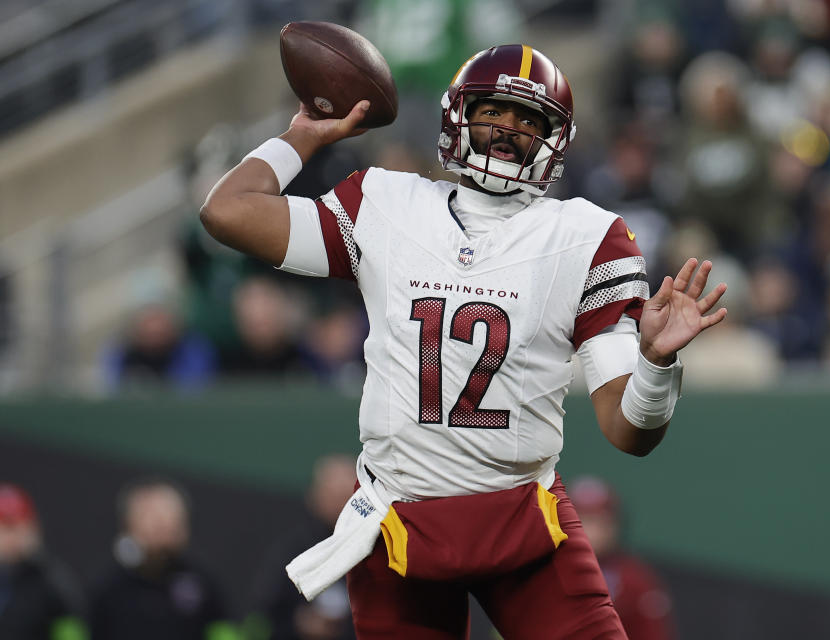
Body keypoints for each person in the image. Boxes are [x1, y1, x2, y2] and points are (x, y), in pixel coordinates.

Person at [200, 44, 726, 639]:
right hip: (400, 516)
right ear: (459, 116)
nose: (509, 129)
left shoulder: (588, 237)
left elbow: (628, 434)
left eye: (531, 119)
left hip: (522, 516)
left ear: (555, 139)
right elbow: (228, 211)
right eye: (495, 110)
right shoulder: (385, 204)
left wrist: (656, 362)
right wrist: (303, 136)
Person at [90, 480, 232, 640]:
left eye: (172, 519)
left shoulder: (203, 585)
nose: (164, 526)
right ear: (129, 525)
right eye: (154, 519)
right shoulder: (109, 590)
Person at [250, 455, 358, 640]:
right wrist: (299, 622)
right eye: (334, 494)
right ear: (315, 496)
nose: (341, 504)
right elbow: (264, 615)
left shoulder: (378, 553)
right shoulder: (292, 553)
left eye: (347, 495)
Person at [568, 476, 675, 640]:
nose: (587, 531)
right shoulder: (539, 567)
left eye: (597, 522)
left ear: (614, 526)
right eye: (579, 520)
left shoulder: (635, 581)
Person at [0, 484, 87, 640]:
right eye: (5, 526)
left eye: (17, 525)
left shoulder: (51, 584)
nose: (10, 536)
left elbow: (72, 634)